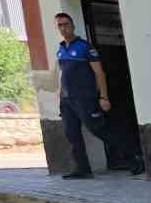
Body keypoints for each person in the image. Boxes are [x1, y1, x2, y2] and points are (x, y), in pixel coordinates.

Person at [54, 12, 144, 179]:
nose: (63, 28)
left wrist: (104, 97)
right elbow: (62, 73)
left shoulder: (85, 47)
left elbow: (99, 73)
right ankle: (82, 169)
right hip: (67, 101)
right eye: (59, 25)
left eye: (66, 24)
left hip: (85, 99)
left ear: (72, 25)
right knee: (71, 134)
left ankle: (134, 159)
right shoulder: (61, 49)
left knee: (100, 130)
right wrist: (59, 95)